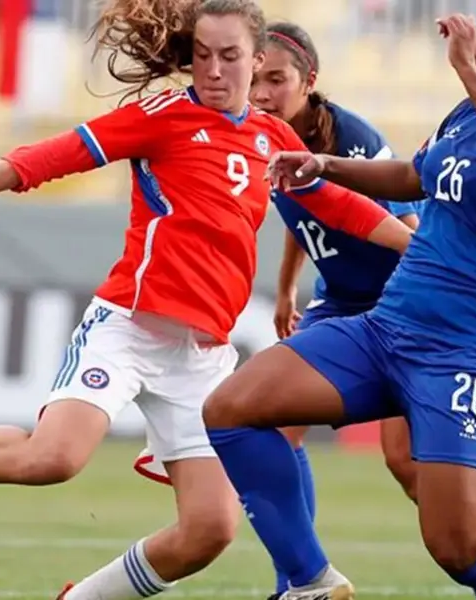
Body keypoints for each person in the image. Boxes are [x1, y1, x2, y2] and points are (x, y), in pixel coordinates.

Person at [0, 2, 414, 600]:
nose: (213, 70)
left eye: (230, 57)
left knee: (209, 530)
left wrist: (415, 243)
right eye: (202, 56)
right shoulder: (161, 116)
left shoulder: (274, 137)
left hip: (202, 357)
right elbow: (43, 159)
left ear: (257, 58)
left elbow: (338, 204)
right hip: (130, 327)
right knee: (53, 459)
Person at [202, 1, 476, 600]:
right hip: (386, 328)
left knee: (459, 548)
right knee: (230, 408)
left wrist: (466, 68)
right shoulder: (467, 116)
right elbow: (415, 176)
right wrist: (323, 166)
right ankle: (308, 582)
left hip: (466, 354)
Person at [129, 20, 423, 600]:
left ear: (309, 82)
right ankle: (299, 580)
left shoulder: (353, 142)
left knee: (406, 464)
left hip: (398, 306)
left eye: (276, 80)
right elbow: (305, 211)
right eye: (256, 79)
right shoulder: (266, 138)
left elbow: (404, 228)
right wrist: (289, 288)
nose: (261, 92)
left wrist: (406, 316)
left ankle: (468, 546)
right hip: (336, 303)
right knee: (267, 426)